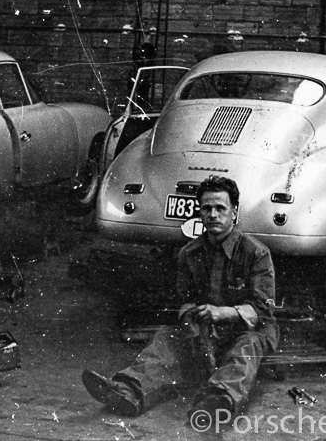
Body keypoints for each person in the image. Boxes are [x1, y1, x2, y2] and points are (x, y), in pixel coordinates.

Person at [82, 176, 278, 424]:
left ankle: (216, 402)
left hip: (249, 329)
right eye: (206, 208)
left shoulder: (256, 253)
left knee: (244, 350)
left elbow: (264, 308)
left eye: (220, 208)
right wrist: (190, 320)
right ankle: (127, 391)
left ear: (234, 212)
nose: (213, 214)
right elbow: (184, 299)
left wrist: (223, 313)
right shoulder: (189, 253)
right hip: (205, 327)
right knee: (167, 339)